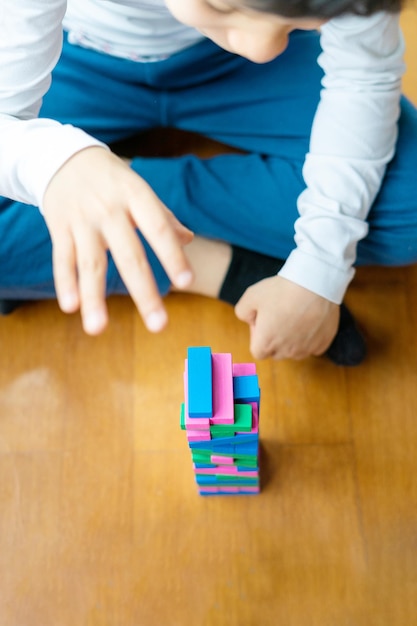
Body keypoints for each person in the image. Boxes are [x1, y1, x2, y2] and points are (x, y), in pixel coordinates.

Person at [1, 0, 416, 365]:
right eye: (221, 6)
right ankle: (217, 266)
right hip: (69, 54)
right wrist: (55, 162)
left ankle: (108, 199)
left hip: (228, 70)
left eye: (301, 22)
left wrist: (319, 267)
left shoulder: (256, 44)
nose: (262, 48)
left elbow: (363, 78)